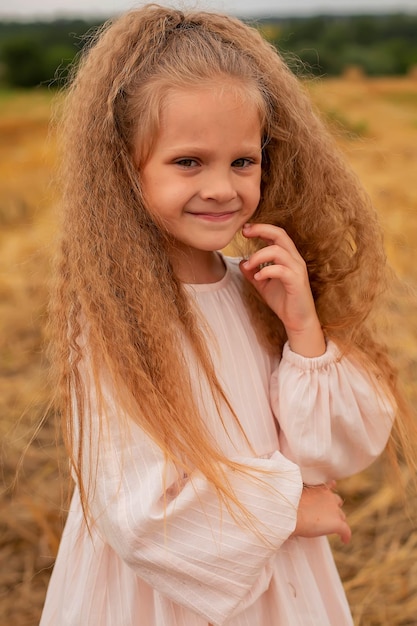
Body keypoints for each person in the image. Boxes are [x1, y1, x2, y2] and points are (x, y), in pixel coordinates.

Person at [40, 4, 414, 625]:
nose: (222, 187)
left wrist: (304, 331)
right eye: (189, 162)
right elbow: (138, 512)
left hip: (279, 589)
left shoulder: (256, 292)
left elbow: (330, 452)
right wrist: (286, 508)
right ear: (124, 173)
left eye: (243, 161)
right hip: (159, 596)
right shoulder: (114, 320)